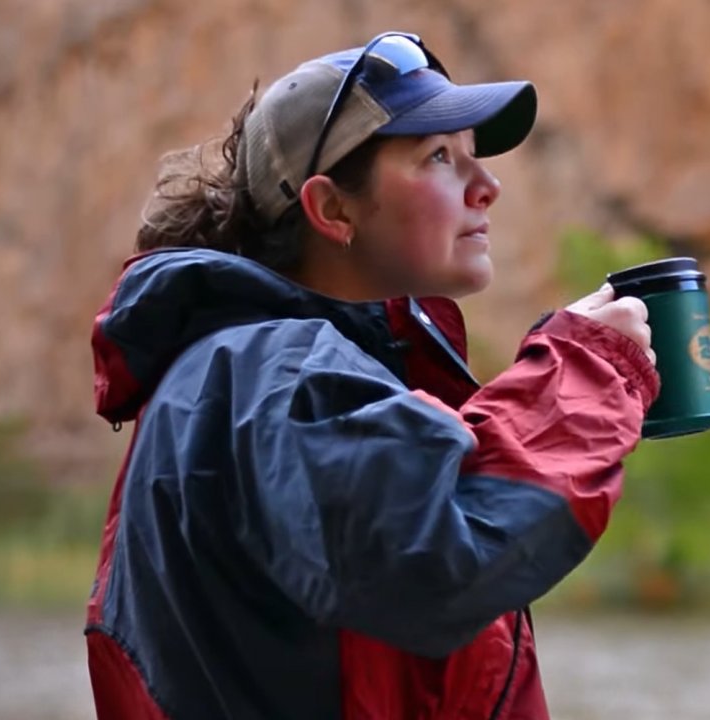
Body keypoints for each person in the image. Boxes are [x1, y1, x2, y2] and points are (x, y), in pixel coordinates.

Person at [85, 31, 658, 719]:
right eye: (438, 157)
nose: (488, 186)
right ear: (332, 209)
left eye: (473, 155)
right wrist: (586, 369)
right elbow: (438, 560)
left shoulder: (251, 371)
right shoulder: (273, 376)